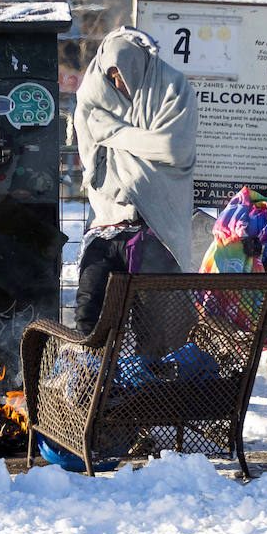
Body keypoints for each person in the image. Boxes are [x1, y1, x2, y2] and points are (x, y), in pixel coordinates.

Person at [72, 26, 197, 335]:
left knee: (156, 327)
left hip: (157, 225)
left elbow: (173, 149)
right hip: (107, 225)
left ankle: (150, 380)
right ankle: (93, 376)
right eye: (112, 75)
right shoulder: (93, 95)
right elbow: (93, 151)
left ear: (139, 66)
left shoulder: (170, 89)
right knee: (90, 314)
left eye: (124, 73)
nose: (118, 82)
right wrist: (146, 145)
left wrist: (112, 133)